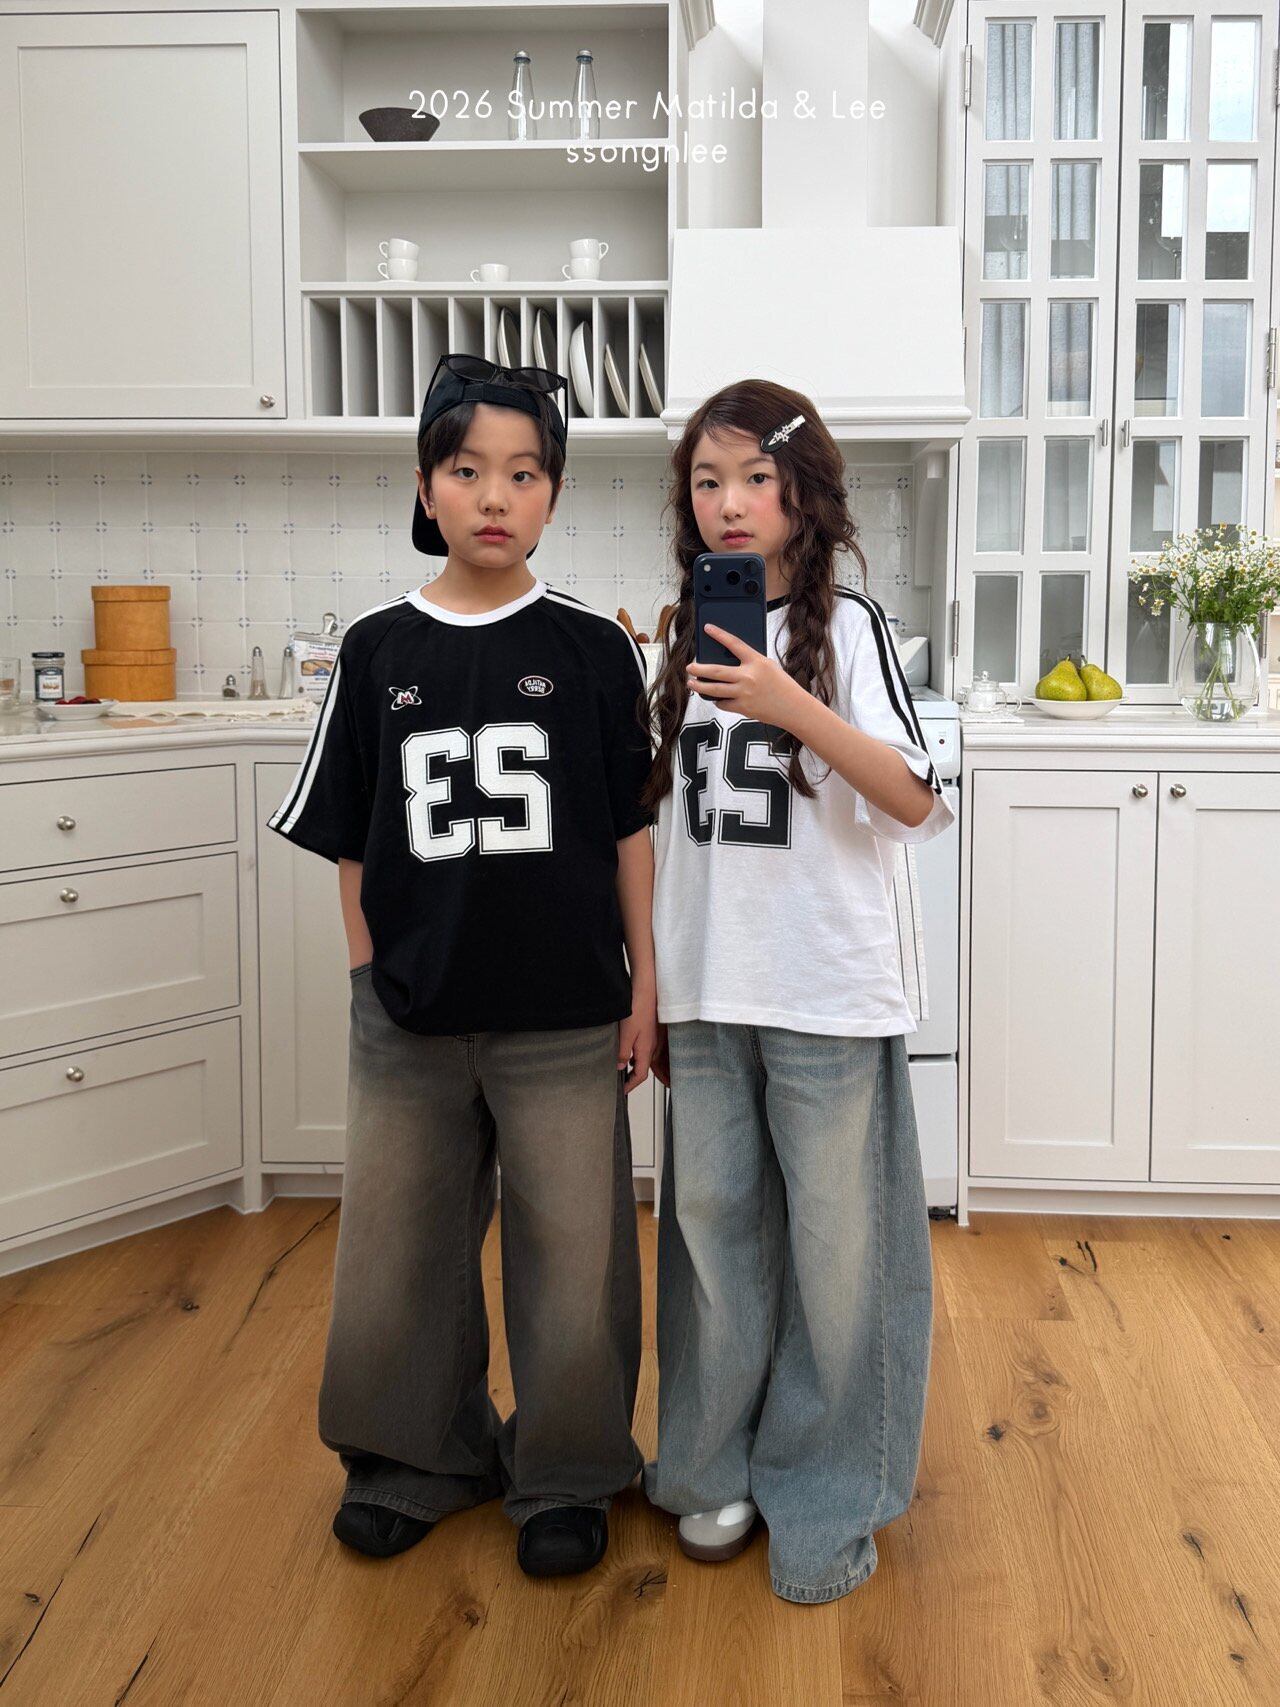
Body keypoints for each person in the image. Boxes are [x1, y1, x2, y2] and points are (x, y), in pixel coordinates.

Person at [267, 353, 657, 1579]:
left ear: (553, 495)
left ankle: (568, 1472)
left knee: (575, 1261)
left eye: (523, 474)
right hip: (409, 1018)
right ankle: (415, 1459)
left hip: (566, 1017)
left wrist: (644, 991)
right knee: (399, 1254)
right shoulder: (376, 650)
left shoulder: (594, 649)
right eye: (467, 469)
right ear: (425, 485)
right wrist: (367, 977)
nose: (494, 496)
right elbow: (347, 838)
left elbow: (630, 837)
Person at [642, 378, 955, 1605]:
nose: (727, 504)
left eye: (752, 479)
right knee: (711, 1237)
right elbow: (668, 828)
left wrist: (789, 705)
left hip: (824, 989)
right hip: (708, 987)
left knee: (838, 1260)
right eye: (704, 482)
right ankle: (709, 1465)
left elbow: (915, 803)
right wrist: (653, 981)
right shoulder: (682, 632)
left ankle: (827, 1493)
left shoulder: (851, 629)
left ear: (799, 491)